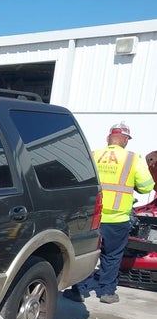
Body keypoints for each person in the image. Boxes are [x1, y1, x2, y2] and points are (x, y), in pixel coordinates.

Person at [63, 122, 155, 304]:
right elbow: (146, 187)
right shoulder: (132, 158)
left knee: (87, 252)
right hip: (117, 218)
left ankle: (79, 291)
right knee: (112, 256)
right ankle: (107, 292)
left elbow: (80, 182)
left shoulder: (94, 155)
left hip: (92, 217)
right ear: (126, 140)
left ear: (108, 138)